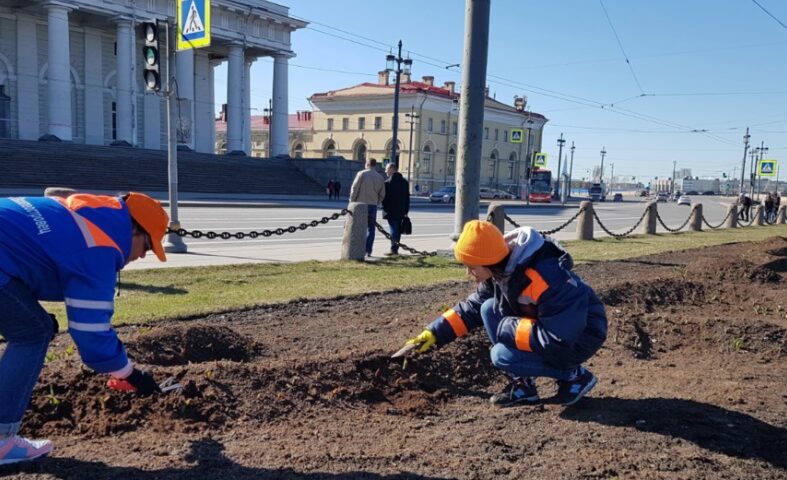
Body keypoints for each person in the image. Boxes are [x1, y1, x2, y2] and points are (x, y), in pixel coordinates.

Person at [0, 191, 169, 464]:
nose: (142, 256)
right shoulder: (99, 246)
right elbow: (91, 333)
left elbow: (25, 257)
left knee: (33, 323)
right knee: (33, 333)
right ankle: (2, 442)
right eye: (147, 247)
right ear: (134, 230)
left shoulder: (78, 215)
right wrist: (131, 374)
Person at [399, 220, 607, 407]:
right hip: (550, 330)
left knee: (501, 355)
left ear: (487, 262)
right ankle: (524, 386)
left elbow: (559, 338)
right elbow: (470, 309)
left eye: (471, 267)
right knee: (487, 308)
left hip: (581, 336)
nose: (468, 273)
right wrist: (433, 333)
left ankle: (574, 376)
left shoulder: (546, 276)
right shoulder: (501, 270)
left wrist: (507, 327)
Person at [349, 158, 385, 257]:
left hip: (360, 205)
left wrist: (351, 201)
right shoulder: (380, 177)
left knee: (359, 227)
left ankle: (358, 250)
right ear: (374, 165)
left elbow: (354, 188)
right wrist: (377, 202)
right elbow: (382, 194)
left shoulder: (361, 174)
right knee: (371, 229)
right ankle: (368, 250)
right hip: (373, 205)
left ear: (367, 164)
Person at [381, 163, 410, 256]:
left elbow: (384, 198)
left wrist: (384, 207)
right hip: (401, 211)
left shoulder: (388, 183)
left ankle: (393, 249)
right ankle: (395, 249)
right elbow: (407, 198)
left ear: (392, 169)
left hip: (390, 211)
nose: (385, 171)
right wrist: (406, 211)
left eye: (387, 169)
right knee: (398, 229)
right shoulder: (404, 182)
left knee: (393, 229)